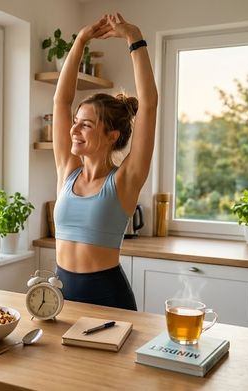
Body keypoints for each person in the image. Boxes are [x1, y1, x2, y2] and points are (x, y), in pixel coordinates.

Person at [52, 13, 158, 311]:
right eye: (75, 122)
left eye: (86, 125)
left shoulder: (125, 180)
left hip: (108, 299)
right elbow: (61, 102)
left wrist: (134, 38)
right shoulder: (68, 171)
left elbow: (149, 105)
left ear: (112, 135)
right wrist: (81, 41)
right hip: (60, 296)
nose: (74, 130)